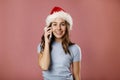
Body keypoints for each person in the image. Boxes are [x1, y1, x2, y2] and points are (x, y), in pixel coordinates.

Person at [37, 6, 82, 80]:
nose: (58, 28)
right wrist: (47, 43)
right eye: (55, 24)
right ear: (49, 27)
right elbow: (44, 67)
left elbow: (77, 76)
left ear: (67, 27)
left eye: (62, 24)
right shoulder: (42, 46)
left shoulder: (75, 49)